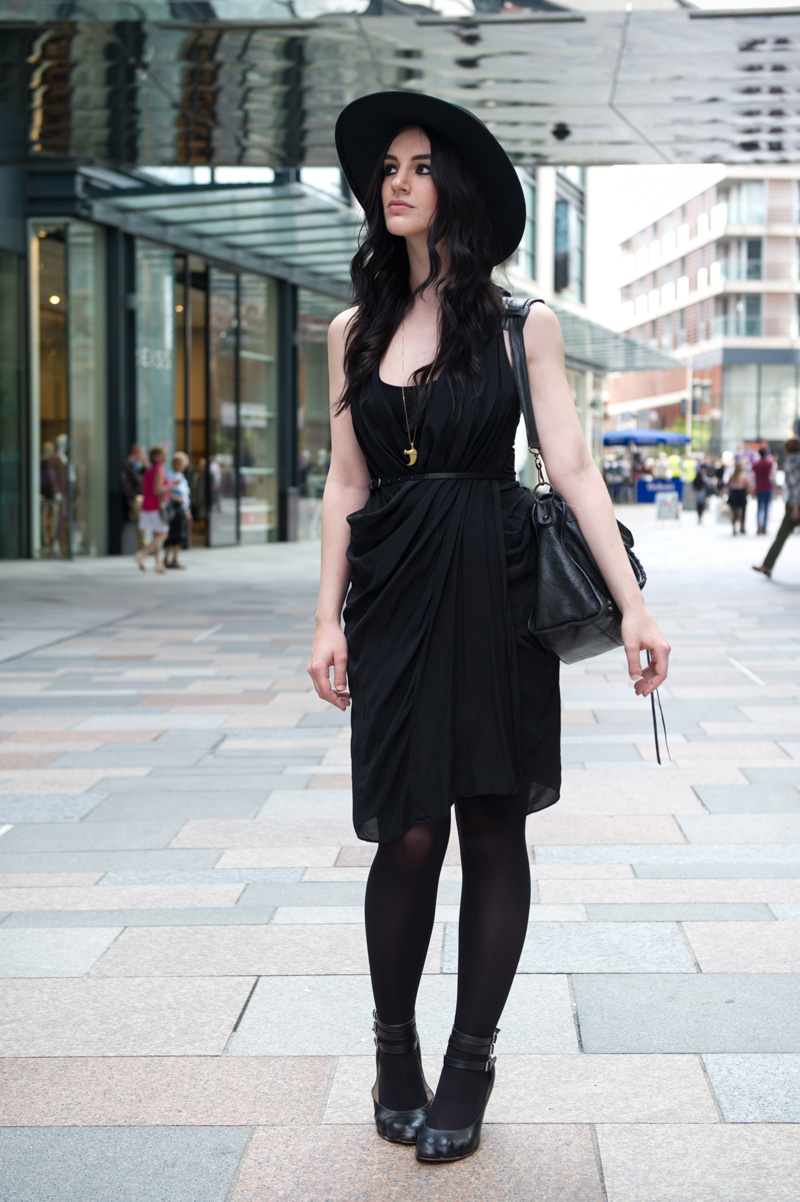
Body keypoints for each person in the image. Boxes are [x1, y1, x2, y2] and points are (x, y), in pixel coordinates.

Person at [307, 91, 670, 1165]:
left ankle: (469, 1060)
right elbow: (342, 482)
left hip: (495, 584)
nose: (398, 182)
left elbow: (567, 467)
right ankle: (392, 1050)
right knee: (406, 829)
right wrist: (325, 617)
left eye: (419, 166)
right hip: (394, 594)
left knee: (491, 825)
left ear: (455, 188)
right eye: (385, 169)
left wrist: (635, 602)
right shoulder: (350, 329)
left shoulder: (523, 327)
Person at [753, 437, 800, 578]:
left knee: (781, 536)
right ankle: (767, 565)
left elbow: (795, 487)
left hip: (795, 505)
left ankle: (767, 565)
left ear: (787, 449)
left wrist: (796, 508)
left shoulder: (791, 462)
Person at [136, 446, 169, 573]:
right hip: (155, 506)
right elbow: (158, 490)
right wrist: (172, 485)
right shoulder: (159, 470)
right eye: (162, 455)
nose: (164, 458)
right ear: (155, 457)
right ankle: (142, 554)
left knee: (156, 536)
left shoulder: (149, 471)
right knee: (163, 534)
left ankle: (158, 564)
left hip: (147, 506)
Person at [163, 451, 192, 569]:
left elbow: (186, 497)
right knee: (172, 534)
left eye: (182, 463)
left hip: (181, 509)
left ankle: (174, 559)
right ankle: (167, 559)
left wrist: (187, 511)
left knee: (180, 534)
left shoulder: (182, 478)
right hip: (173, 508)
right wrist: (177, 499)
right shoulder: (170, 476)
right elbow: (165, 491)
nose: (180, 465)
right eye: (178, 463)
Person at [120, 443, 147, 551]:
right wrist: (132, 496)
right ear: (137, 452)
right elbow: (125, 482)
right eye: (141, 453)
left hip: (139, 496)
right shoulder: (127, 464)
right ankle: (143, 547)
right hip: (135, 497)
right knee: (140, 521)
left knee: (143, 522)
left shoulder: (135, 465)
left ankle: (143, 546)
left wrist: (144, 468)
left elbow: (138, 478)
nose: (142, 456)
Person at [751, 445, 775, 534]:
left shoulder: (755, 464)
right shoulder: (769, 464)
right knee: (766, 509)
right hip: (767, 487)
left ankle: (758, 526)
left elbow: (753, 478)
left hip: (759, 488)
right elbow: (771, 475)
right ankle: (764, 527)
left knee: (759, 508)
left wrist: (752, 489)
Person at [726, 459, 752, 535]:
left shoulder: (732, 475)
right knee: (742, 512)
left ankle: (735, 527)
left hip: (734, 494)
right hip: (741, 494)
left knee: (734, 512)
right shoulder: (743, 476)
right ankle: (742, 527)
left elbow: (728, 485)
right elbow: (748, 486)